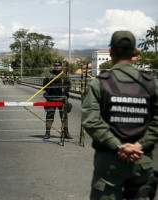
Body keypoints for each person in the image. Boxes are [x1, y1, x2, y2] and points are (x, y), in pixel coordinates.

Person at [82, 30, 158, 199]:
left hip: (109, 161)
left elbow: (91, 121)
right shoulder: (151, 83)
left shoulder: (100, 83)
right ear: (135, 52)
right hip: (141, 159)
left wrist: (117, 145)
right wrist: (140, 145)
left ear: (110, 52)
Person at [43, 60, 73, 139]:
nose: (57, 67)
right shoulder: (49, 75)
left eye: (58, 65)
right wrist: (49, 91)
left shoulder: (65, 75)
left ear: (61, 66)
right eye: (55, 65)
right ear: (53, 66)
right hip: (51, 98)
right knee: (49, 116)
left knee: (64, 117)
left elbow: (69, 85)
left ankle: (66, 133)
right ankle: (47, 133)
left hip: (62, 99)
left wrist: (64, 89)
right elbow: (44, 85)